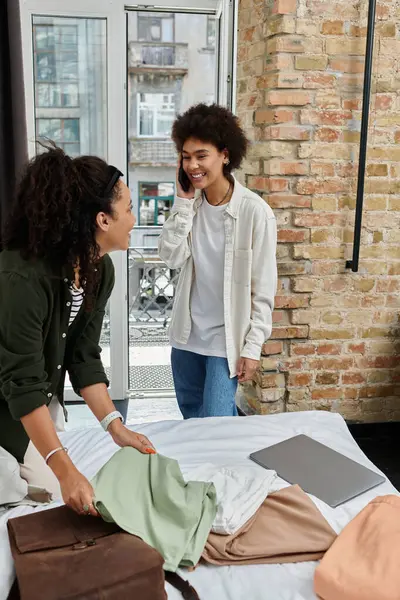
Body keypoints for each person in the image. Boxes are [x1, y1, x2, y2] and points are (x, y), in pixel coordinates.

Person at [0, 146, 155, 517]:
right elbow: (21, 382)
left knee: (61, 495)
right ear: (103, 219)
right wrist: (65, 468)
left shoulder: (100, 273)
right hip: (9, 406)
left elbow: (83, 356)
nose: (134, 219)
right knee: (33, 490)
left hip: (32, 405)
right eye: (130, 208)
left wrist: (115, 427)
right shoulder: (23, 278)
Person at [159, 103, 277, 419]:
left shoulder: (255, 212)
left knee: (215, 420)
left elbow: (263, 292)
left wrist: (252, 348)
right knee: (193, 419)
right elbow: (170, 257)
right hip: (186, 338)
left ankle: (233, 458)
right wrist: (182, 203)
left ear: (225, 155)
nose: (192, 165)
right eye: (186, 157)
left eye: (201, 156)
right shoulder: (190, 207)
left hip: (224, 343)